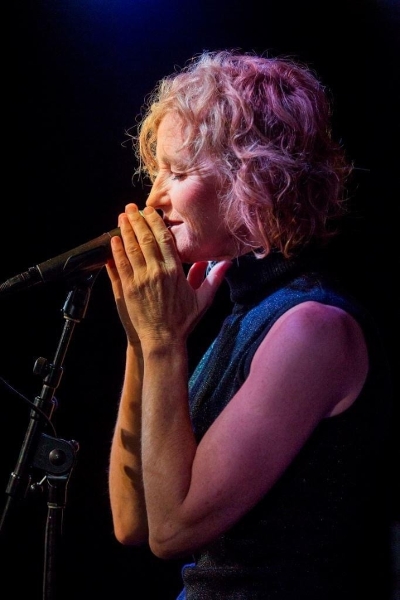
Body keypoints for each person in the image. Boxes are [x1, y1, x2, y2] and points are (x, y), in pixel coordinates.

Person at [105, 50, 393, 599]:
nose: (154, 198)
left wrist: (163, 342)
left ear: (253, 179)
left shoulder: (312, 329)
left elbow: (173, 531)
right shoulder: (244, 315)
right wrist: (142, 342)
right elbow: (132, 521)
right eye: (156, 171)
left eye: (178, 172)